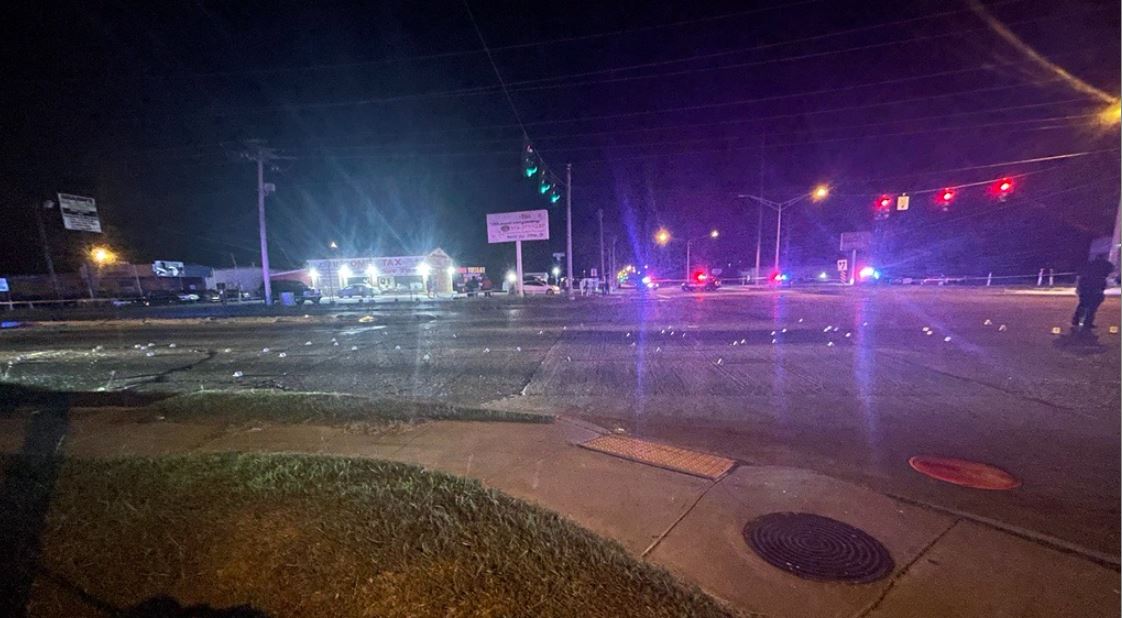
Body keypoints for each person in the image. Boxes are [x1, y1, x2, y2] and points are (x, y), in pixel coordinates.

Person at [1072, 254, 1114, 330]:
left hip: (1085, 287)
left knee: (1083, 305)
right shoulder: (1104, 266)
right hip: (1096, 287)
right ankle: (1087, 322)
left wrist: (1079, 288)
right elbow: (1111, 269)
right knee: (1092, 307)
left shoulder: (1088, 265)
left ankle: (1076, 320)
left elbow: (1080, 274)